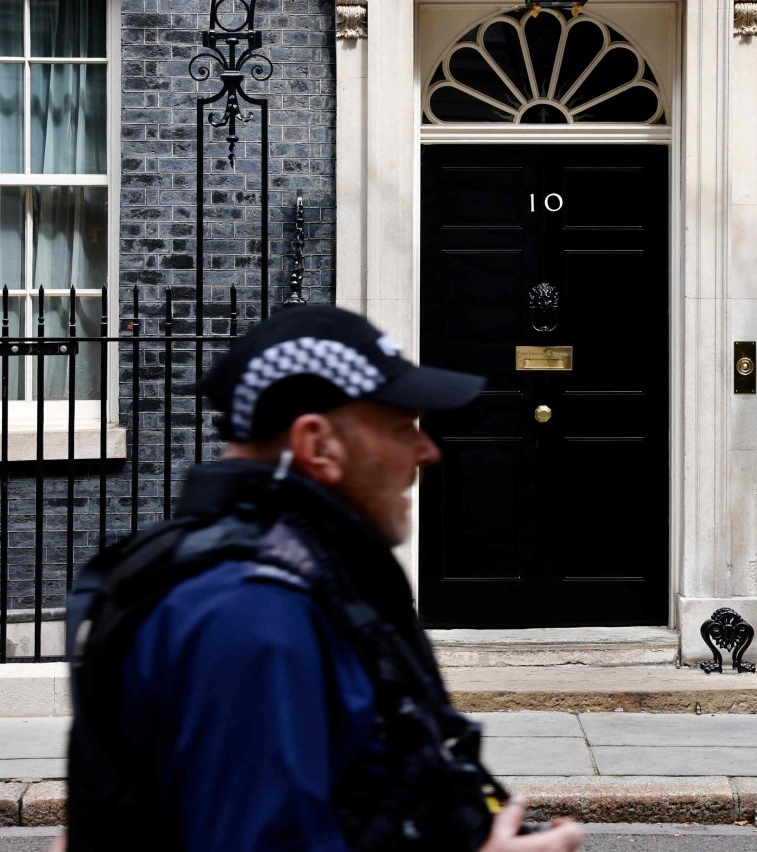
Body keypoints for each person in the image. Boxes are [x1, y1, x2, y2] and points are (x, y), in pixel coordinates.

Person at [63, 304, 587, 852]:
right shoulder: (252, 612)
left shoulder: (285, 578)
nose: (427, 451)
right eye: (400, 425)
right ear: (317, 445)